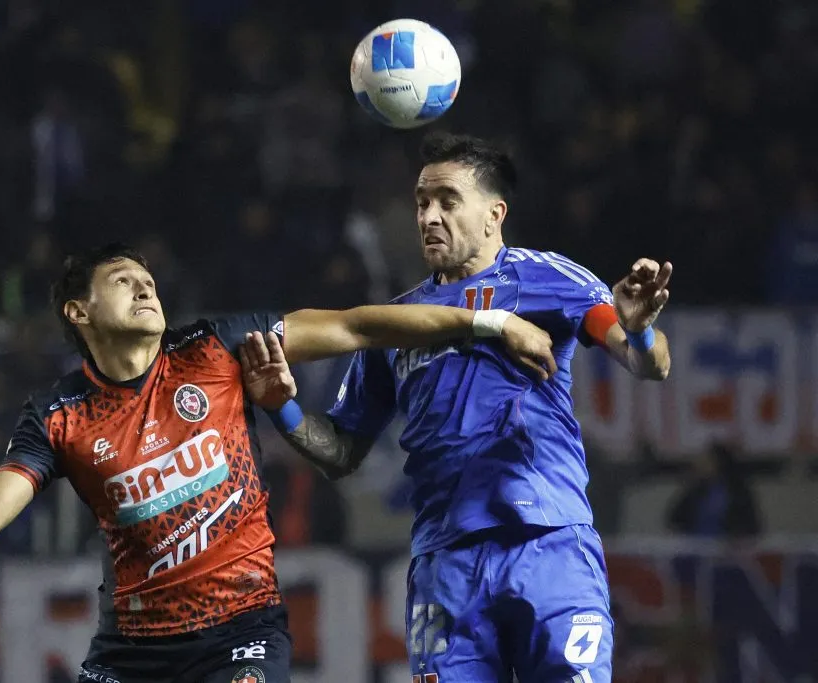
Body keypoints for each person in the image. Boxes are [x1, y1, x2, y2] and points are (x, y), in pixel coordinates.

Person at [0, 241, 556, 683]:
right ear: (79, 312)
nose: (145, 286)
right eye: (123, 280)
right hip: (130, 652)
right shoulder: (61, 411)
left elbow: (357, 327)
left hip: (240, 631)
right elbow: (1, 491)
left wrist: (489, 322)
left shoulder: (215, 349)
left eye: (147, 279)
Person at [241, 132, 673, 682]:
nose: (428, 216)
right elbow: (341, 451)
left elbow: (649, 365)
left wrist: (638, 331)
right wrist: (284, 409)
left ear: (494, 214)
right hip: (445, 567)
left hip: (549, 545)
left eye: (447, 201)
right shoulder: (398, 321)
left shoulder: (549, 279)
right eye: (422, 202)